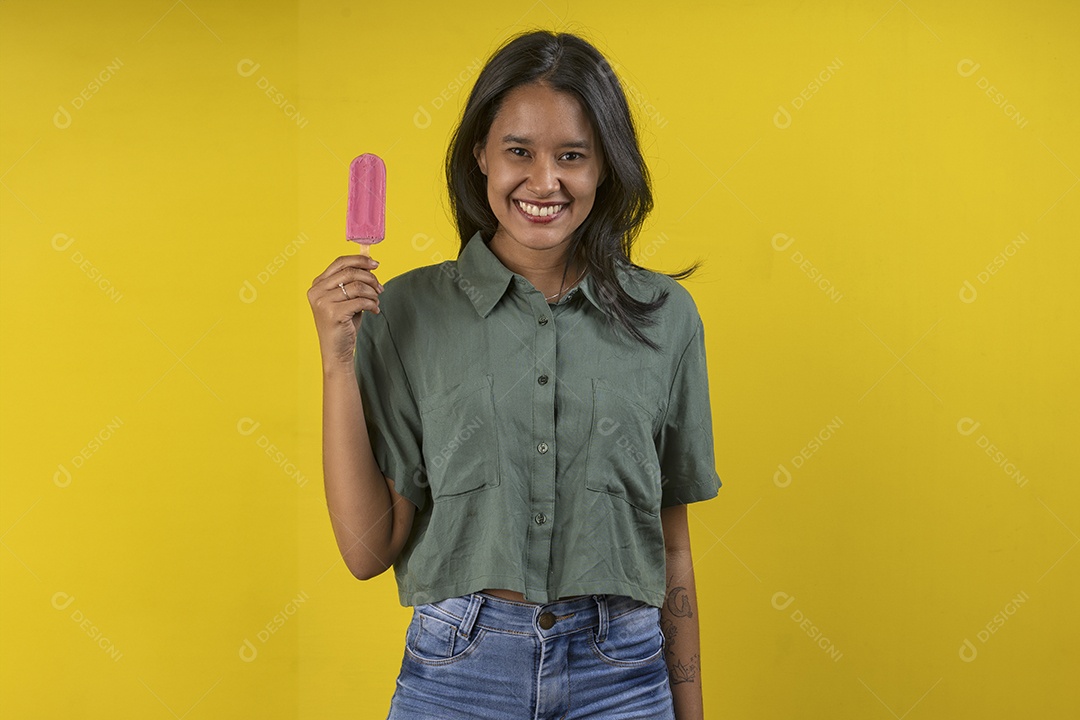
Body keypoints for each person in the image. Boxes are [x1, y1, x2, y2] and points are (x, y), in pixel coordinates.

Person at [308, 29, 722, 720]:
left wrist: (691, 712)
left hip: (623, 672)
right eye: (519, 152)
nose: (545, 182)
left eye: (572, 156)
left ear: (605, 168)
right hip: (458, 675)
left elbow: (672, 547)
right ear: (480, 155)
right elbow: (364, 550)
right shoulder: (404, 312)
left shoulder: (666, 317)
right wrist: (337, 362)